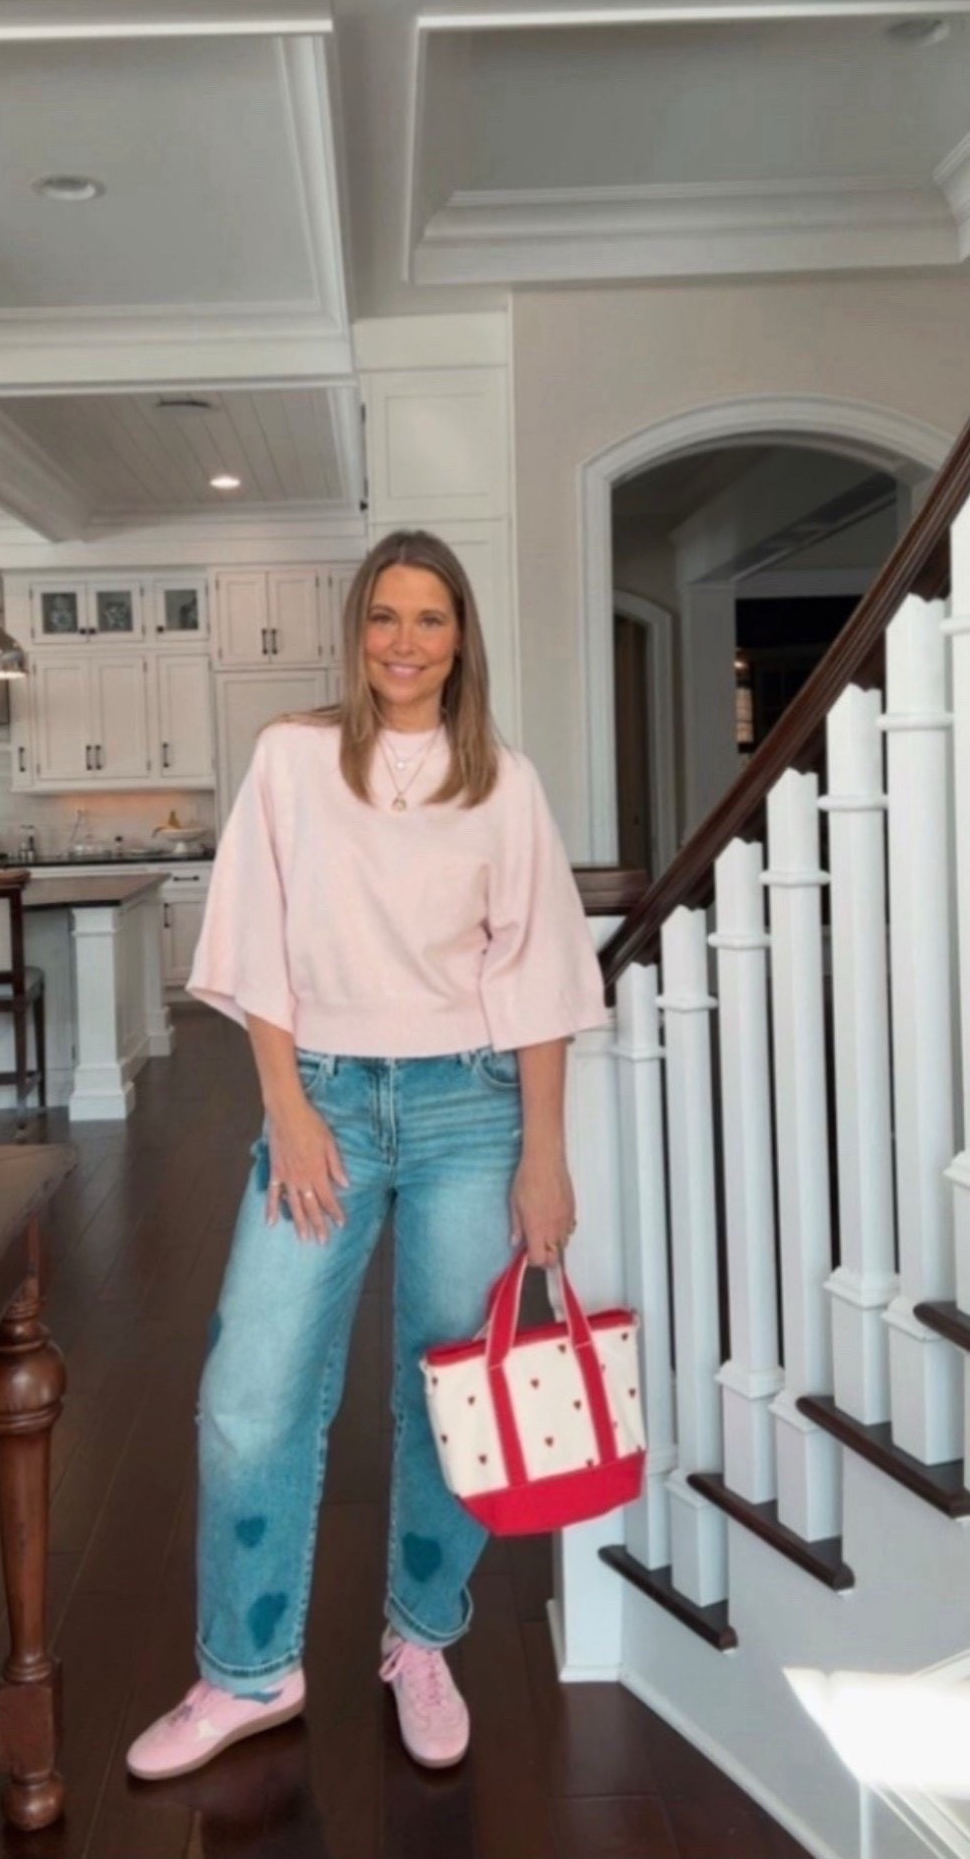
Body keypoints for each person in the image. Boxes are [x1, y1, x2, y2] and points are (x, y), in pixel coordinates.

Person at [127, 529, 606, 1782]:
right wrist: (285, 1104)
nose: (404, 641)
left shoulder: (504, 779)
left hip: (471, 1109)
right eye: (384, 617)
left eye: (430, 619)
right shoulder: (292, 761)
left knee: (451, 1396)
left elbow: (540, 976)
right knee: (251, 1391)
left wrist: (543, 1156)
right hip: (323, 1098)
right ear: (358, 630)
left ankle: (422, 1638)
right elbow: (257, 937)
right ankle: (248, 1670)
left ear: (462, 638)